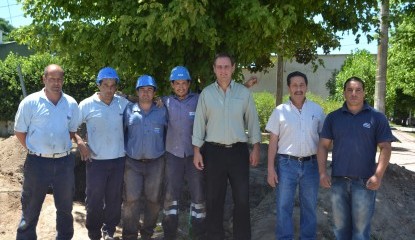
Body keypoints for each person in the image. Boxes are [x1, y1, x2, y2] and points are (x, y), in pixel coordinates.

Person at [192, 52, 261, 240]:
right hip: (213, 153)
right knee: (214, 199)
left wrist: (256, 147)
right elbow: (199, 123)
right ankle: (215, 236)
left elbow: (252, 121)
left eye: (226, 67)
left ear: (233, 68)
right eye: (219, 67)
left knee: (242, 199)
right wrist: (197, 151)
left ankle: (242, 237)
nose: (223, 71)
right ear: (214, 69)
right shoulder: (206, 94)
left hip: (238, 152)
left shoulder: (243, 93)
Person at [317, 76, 393, 240]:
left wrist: (378, 175)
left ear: (364, 93)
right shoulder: (333, 118)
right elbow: (323, 145)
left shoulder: (377, 118)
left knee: (360, 232)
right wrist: (322, 173)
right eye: (350, 90)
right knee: (340, 229)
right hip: (338, 182)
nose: (354, 93)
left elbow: (385, 147)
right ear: (344, 93)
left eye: (358, 90)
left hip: (364, 183)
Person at [14, 64, 80, 240]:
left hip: (64, 163)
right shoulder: (30, 102)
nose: (56, 83)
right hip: (37, 163)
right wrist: (34, 150)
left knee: (65, 209)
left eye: (59, 79)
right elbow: (20, 131)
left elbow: (72, 131)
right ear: (44, 79)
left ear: (63, 81)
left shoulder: (71, 104)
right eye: (52, 79)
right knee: (30, 208)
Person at [265, 71, 325, 239]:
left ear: (306, 87)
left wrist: (322, 169)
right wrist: (270, 168)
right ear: (289, 88)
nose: (298, 89)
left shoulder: (317, 110)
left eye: (301, 85)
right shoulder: (279, 111)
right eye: (294, 85)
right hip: (286, 164)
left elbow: (324, 142)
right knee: (284, 206)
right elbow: (273, 142)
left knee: (309, 206)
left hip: (311, 165)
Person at [75, 67, 129, 240]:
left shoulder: (123, 103)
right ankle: (93, 233)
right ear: (99, 85)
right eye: (105, 85)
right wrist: (81, 142)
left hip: (119, 160)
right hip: (96, 161)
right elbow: (71, 128)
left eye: (113, 86)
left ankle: (109, 231)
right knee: (94, 199)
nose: (109, 89)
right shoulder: (86, 104)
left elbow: (141, 109)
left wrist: (157, 101)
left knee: (114, 199)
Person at [161, 66, 206, 240]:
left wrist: (245, 86)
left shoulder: (199, 100)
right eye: (177, 83)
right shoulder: (165, 102)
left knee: (198, 194)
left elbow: (221, 98)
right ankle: (169, 233)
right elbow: (145, 101)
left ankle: (197, 233)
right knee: (171, 195)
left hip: (195, 155)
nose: (180, 87)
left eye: (184, 83)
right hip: (173, 156)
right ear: (172, 85)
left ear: (189, 84)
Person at [122, 75, 168, 240]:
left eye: (150, 90)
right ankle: (129, 235)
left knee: (153, 200)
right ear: (137, 92)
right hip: (132, 163)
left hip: (156, 163)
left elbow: (169, 132)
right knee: (131, 200)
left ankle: (147, 234)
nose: (146, 93)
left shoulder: (162, 110)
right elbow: (122, 132)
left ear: (154, 92)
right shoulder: (128, 110)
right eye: (142, 90)